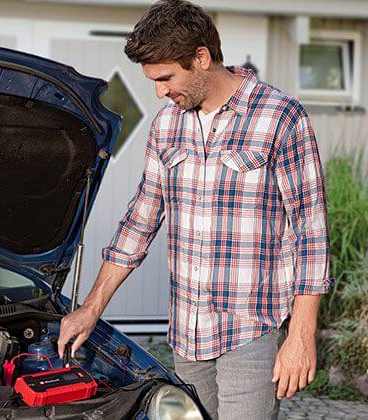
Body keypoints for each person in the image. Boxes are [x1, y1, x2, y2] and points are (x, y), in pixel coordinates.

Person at [57, 1, 332, 418]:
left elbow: (311, 232)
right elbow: (140, 221)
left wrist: (301, 335)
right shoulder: (167, 125)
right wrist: (91, 307)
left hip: (251, 330)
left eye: (166, 77)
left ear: (201, 58)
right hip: (186, 334)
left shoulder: (281, 118)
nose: (159, 92)